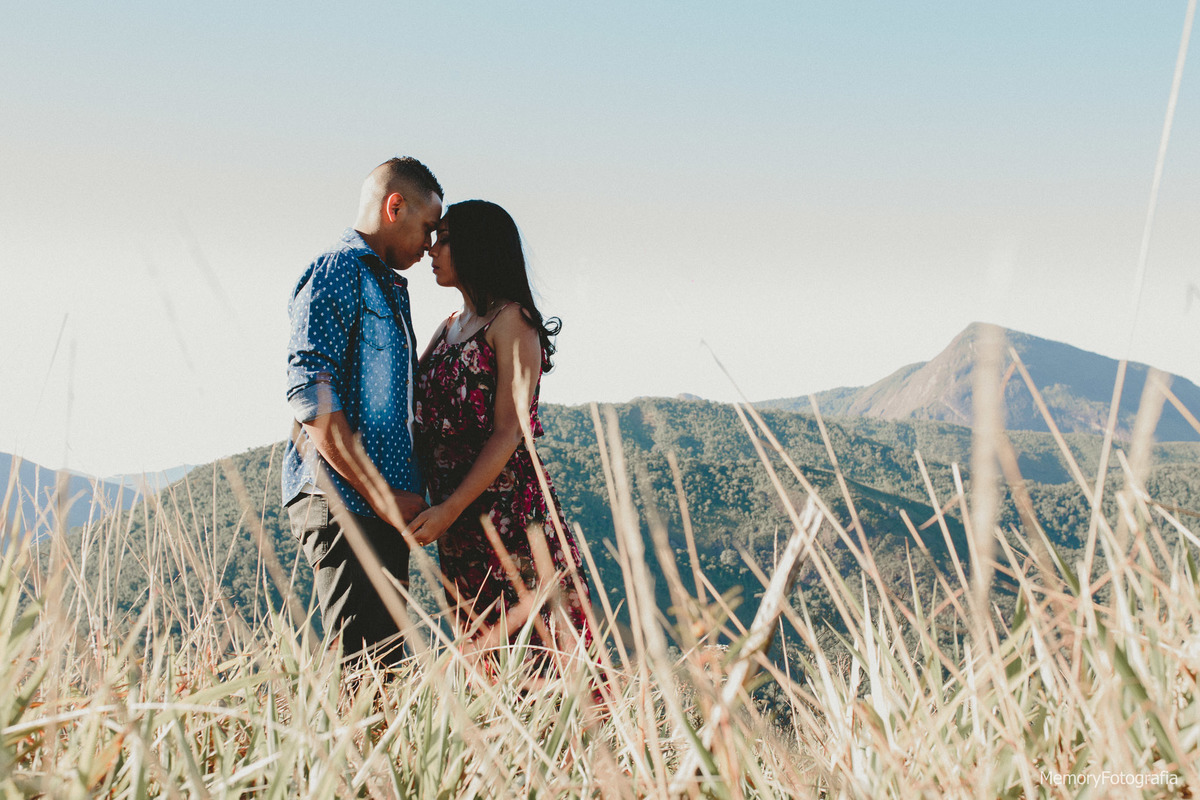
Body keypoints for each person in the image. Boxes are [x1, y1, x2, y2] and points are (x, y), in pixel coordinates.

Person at [408, 199, 594, 660]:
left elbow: (510, 433)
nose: (432, 249)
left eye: (445, 239)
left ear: (478, 248)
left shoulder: (512, 321)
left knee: (539, 657)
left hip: (511, 523)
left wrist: (448, 509)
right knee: (486, 656)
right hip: (458, 531)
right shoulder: (449, 326)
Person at [282, 156, 443, 663]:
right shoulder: (339, 269)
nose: (431, 245)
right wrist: (382, 497)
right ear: (395, 206)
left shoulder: (388, 285)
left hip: (378, 505)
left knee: (382, 671)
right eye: (427, 227)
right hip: (345, 501)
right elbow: (311, 395)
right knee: (358, 674)